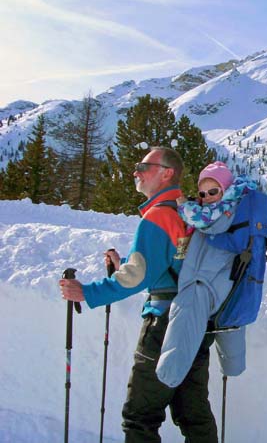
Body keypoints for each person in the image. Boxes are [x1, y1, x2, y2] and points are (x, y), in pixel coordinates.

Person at [59, 146, 218, 443]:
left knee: (139, 418)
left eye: (144, 167)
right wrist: (126, 265)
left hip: (163, 326)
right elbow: (170, 264)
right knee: (194, 416)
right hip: (195, 320)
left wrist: (87, 292)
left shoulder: (158, 216)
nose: (136, 172)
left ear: (166, 173)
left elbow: (138, 275)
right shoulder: (190, 214)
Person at [156, 161, 254, 388]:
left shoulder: (223, 211)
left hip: (204, 285)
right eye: (203, 193)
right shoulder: (230, 210)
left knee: (183, 321)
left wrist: (184, 206)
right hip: (218, 286)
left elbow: (206, 222)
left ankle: (166, 377)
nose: (208, 197)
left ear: (226, 190)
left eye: (213, 191)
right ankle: (232, 367)